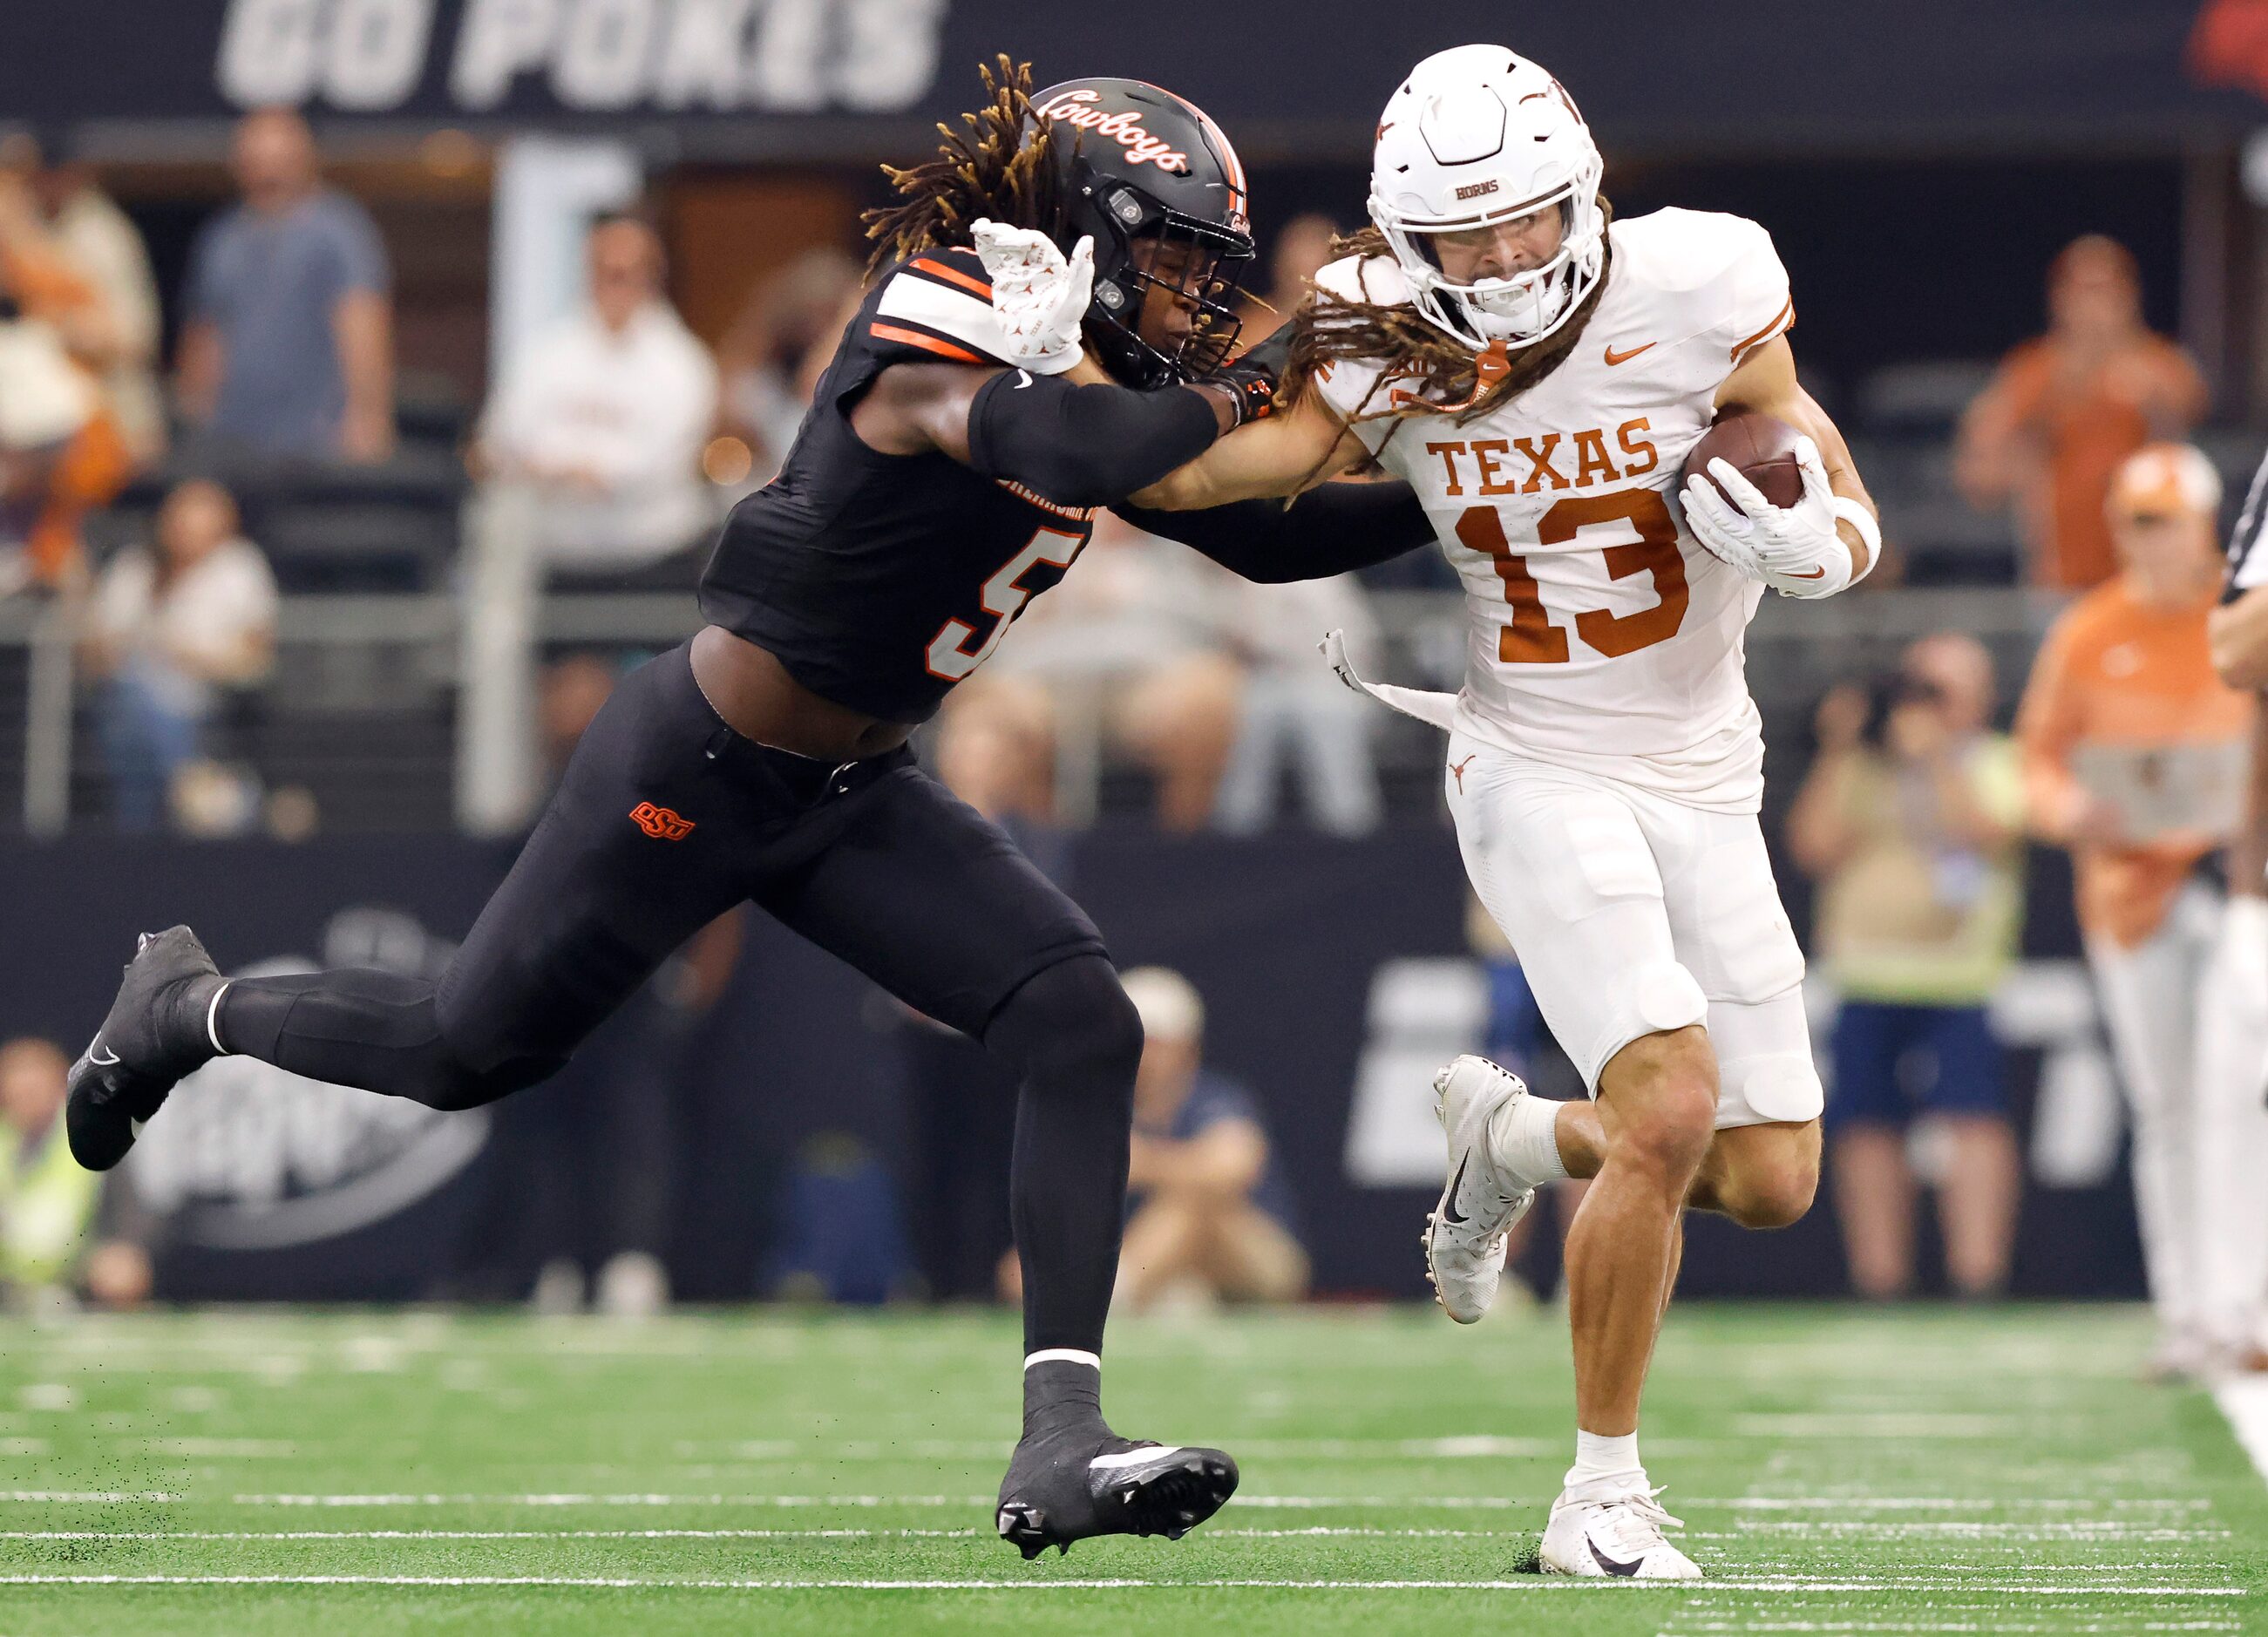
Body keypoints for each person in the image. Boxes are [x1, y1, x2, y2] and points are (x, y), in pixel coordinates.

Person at [64, 63, 1443, 1559]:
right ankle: (185, 1003)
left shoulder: (1088, 367)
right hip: (702, 763)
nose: (1190, 299)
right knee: (464, 1046)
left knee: (1077, 1019)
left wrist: (1470, 497)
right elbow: (1069, 454)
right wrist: (1275, 366)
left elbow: (1259, 543)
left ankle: (1061, 1438)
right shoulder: (944, 303)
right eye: (1173, 263)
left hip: (852, 789)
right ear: (1087, 234)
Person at [1067, 44, 1881, 1577]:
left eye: (1524, 222)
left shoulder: (1702, 275)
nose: (1503, 261)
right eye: (1463, 236)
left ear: (1580, 195)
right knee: (1672, 1106)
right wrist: (1070, 375)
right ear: (1404, 238)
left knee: (1770, 1179)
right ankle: (1601, 1495)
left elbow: (1803, 441)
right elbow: (1216, 479)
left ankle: (1508, 1135)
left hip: (1709, 761)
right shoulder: (1377, 330)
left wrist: (1831, 538)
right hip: (1531, 755)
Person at [2021, 443, 2263, 1376]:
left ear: (2207, 527)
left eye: (2160, 521)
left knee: (2241, 1097)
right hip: (2131, 891)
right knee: (2168, 1108)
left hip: (2236, 881)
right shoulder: (2088, 630)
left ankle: (2245, 1312)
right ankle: (2194, 1315)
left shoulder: (2238, 619)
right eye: (2132, 520)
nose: (2143, 539)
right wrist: (2067, 808)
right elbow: (2036, 759)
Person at [1787, 636, 2024, 1300]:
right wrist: (1840, 746)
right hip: (1867, 973)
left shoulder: (1997, 760)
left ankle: (1980, 1277)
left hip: (1961, 976)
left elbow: (1988, 831)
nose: (1926, 706)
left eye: (1943, 692)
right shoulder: (1863, 766)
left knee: (1974, 1120)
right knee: (1866, 1125)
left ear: (1980, 699)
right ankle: (1879, 1280)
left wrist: (1940, 756)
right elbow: (1812, 846)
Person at [474, 214, 721, 589]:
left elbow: (661, 459)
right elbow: (505, 437)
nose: (614, 283)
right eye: (604, 270)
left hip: (654, 558)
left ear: (652, 276)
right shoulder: (544, 353)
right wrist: (566, 469)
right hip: (561, 558)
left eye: (626, 272)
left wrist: (576, 470)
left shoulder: (683, 364)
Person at [1956, 236, 2207, 593]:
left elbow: (2190, 431)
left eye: (2106, 293)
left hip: (2144, 577)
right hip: (2060, 577)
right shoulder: (2034, 373)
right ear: (2060, 299)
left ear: (2129, 297)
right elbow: (1979, 473)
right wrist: (2028, 449)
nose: (2094, 307)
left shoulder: (2160, 367)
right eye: (2083, 293)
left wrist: (2142, 397)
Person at [176, 108, 393, 463]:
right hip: (233, 436)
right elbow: (207, 332)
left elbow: (362, 322)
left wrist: (368, 417)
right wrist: (195, 414)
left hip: (316, 437)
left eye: (278, 161)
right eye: (256, 162)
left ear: (305, 160)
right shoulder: (223, 237)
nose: (267, 173)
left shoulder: (338, 230)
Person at [81, 478, 278, 831]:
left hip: (208, 704)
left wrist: (184, 657)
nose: (180, 530)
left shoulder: (238, 569)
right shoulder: (134, 567)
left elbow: (256, 660)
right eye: (176, 520)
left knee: (138, 717)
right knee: (133, 699)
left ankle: (154, 813)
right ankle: (194, 787)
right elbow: (97, 654)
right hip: (125, 699)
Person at [1109, 968, 1307, 1308]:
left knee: (1194, 1202)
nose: (1144, 1054)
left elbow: (1233, 1167)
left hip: (1258, 1261)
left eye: (1156, 1042)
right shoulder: (1101, 1109)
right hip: (1149, 1259)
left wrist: (1142, 1163)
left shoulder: (1215, 1099)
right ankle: (1156, 1292)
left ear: (1187, 1048)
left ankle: (1110, 1298)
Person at [0, 132, 165, 465]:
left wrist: (54, 324)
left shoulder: (103, 234)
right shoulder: (21, 228)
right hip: (43, 432)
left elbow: (136, 339)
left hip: (117, 420)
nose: (42, 184)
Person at [0, 1037, 103, 1306]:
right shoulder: (4, 1142)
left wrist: (122, 1249)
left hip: (78, 1283)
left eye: (34, 1089)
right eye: (17, 1091)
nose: (26, 1100)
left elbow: (131, 1211)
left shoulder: (94, 1135)